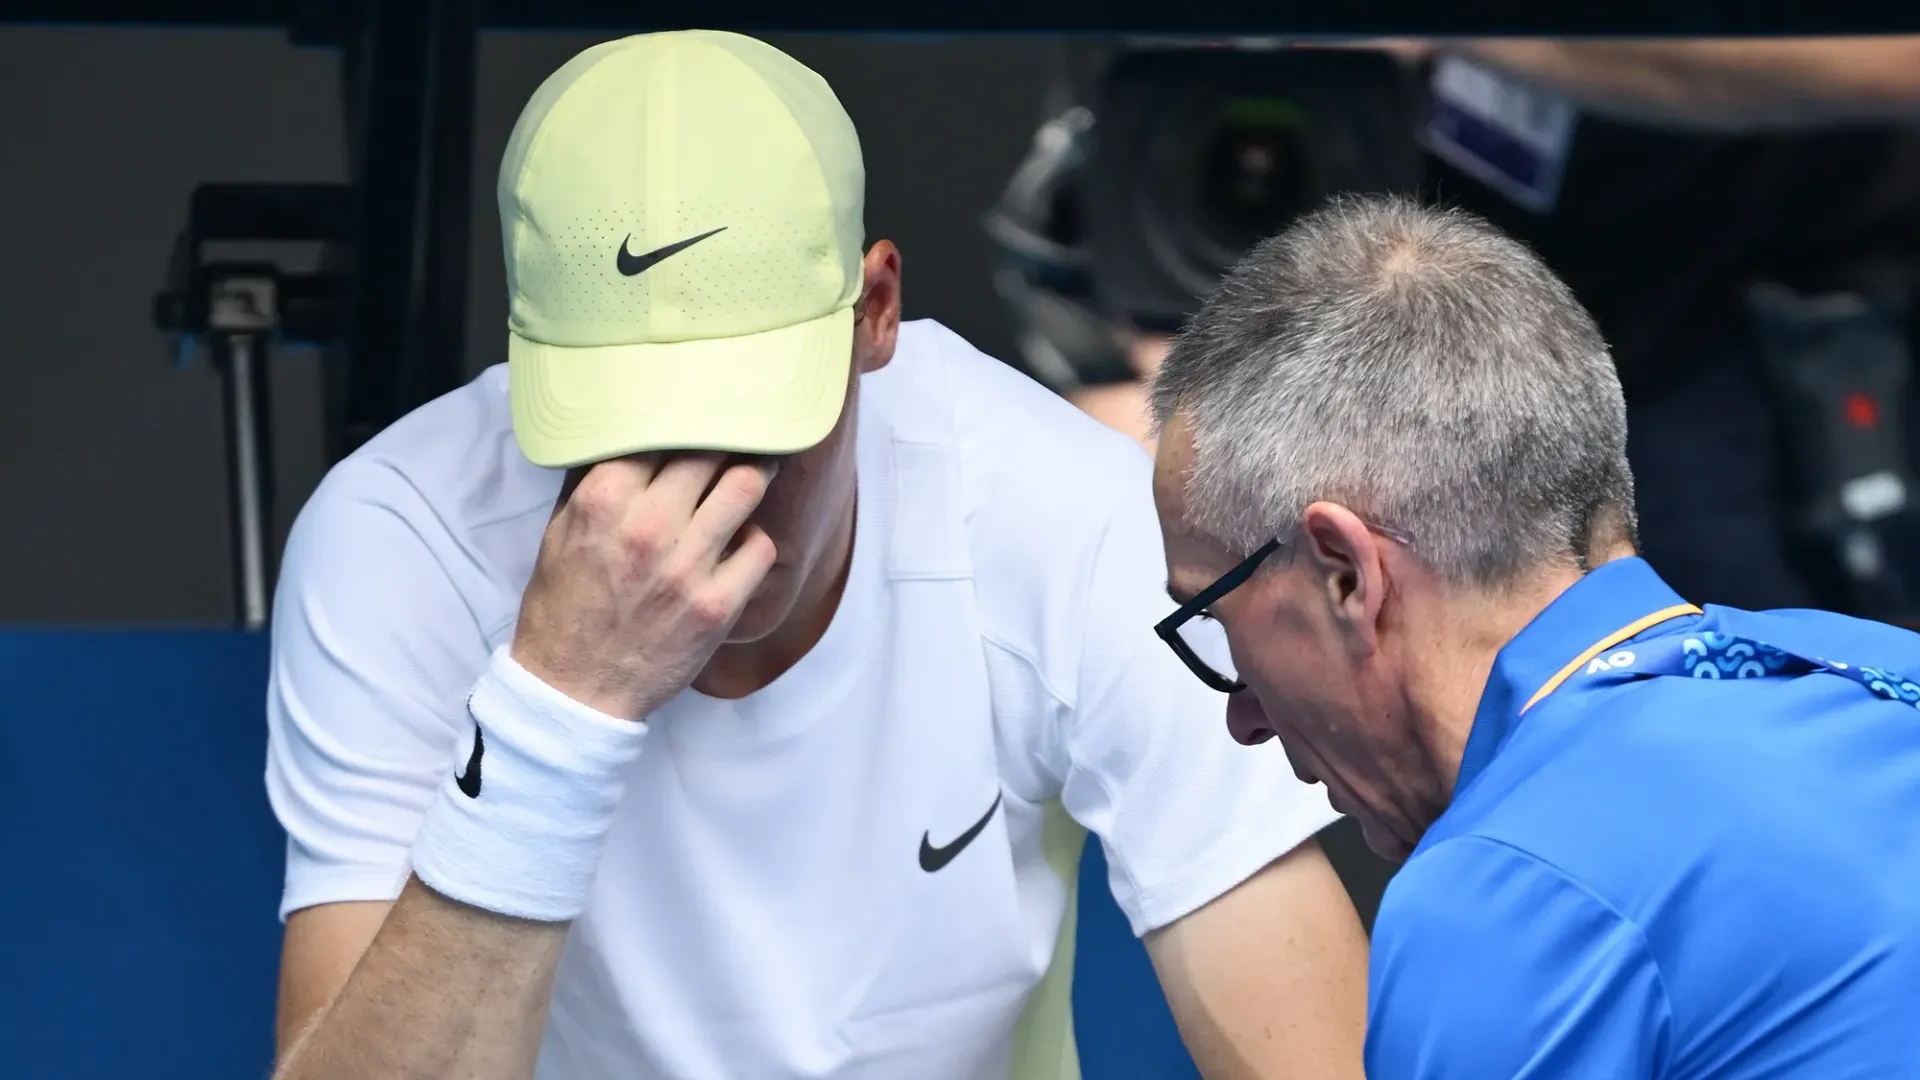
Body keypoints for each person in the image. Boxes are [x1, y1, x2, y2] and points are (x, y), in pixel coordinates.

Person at [263, 30, 1368, 1080]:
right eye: (622, 424)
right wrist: (555, 709)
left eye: (753, 420)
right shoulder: (402, 538)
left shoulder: (1055, 507)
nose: (695, 498)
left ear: (874, 311)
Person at [1147, 193, 1920, 1077]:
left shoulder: (1508, 896)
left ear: (1345, 575)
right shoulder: (1889, 671)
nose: (1242, 717)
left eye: (1217, 616)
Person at [1000, 37, 1920, 619]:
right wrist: (1175, 378)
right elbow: (1135, 118)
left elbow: (1894, 55)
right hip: (1389, 385)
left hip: (1713, 365)